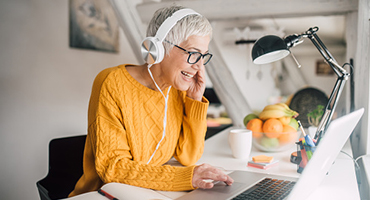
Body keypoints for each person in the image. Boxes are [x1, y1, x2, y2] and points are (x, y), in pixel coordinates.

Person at [69, 5, 233, 197]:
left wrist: (195, 100)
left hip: (149, 192)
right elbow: (112, 169)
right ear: (160, 47)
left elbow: (188, 157)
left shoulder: (178, 89)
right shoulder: (112, 83)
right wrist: (185, 177)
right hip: (103, 194)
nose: (198, 66)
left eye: (203, 56)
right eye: (193, 53)